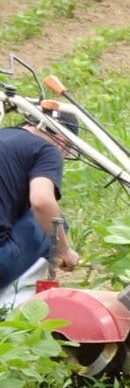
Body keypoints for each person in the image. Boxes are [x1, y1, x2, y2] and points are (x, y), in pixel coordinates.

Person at [0, 110, 81, 300]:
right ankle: (14, 304)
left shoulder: (4, 135)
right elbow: (42, 201)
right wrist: (64, 251)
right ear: (61, 140)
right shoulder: (46, 149)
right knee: (54, 222)